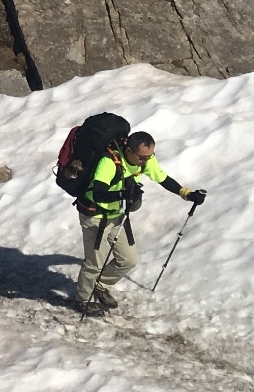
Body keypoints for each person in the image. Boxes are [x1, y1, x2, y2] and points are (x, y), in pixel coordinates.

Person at [75, 129, 205, 315]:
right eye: (143, 157)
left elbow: (163, 178)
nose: (147, 161)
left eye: (150, 156)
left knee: (128, 259)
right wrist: (124, 194)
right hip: (95, 216)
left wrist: (187, 194)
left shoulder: (145, 160)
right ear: (129, 150)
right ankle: (82, 299)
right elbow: (98, 193)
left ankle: (100, 285)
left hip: (117, 215)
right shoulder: (108, 162)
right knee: (95, 262)